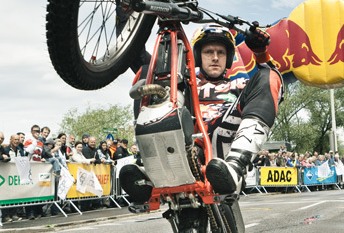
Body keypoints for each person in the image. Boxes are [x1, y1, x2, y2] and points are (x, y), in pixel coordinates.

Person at [121, 23, 282, 202]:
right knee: (148, 77)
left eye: (221, 53)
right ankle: (150, 168)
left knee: (271, 76)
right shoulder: (183, 84)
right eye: (208, 52)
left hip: (223, 144)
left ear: (228, 57)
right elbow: (138, 58)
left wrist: (260, 53)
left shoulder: (239, 85)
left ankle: (234, 168)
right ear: (198, 56)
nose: (215, 58)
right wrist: (127, 18)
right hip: (185, 141)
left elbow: (272, 84)